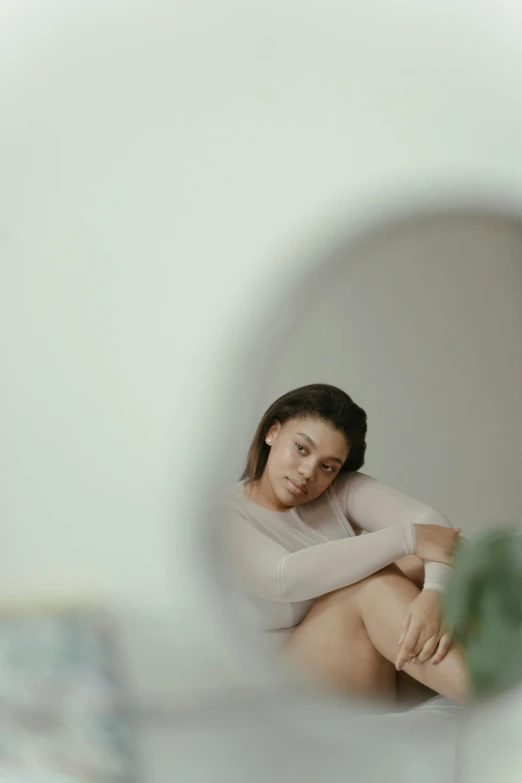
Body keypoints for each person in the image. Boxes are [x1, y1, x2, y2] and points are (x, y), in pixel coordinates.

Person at [219, 384, 468, 706]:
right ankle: (495, 699)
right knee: (374, 583)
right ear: (273, 432)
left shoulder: (337, 490)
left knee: (465, 560)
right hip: (285, 690)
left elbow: (433, 525)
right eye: (301, 448)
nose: (308, 473)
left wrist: (436, 592)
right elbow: (280, 577)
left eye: (328, 466)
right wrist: (409, 537)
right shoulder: (222, 515)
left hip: (374, 667)